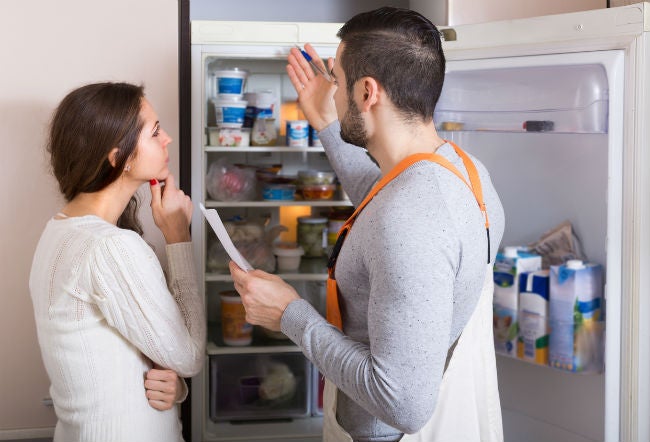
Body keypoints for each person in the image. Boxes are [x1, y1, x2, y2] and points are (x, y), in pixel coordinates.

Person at [230, 6, 506, 442]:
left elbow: (402, 405)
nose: (332, 92)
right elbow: (383, 201)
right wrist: (323, 120)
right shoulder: (464, 172)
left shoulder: (409, 221)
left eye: (337, 81)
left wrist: (289, 314)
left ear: (367, 92)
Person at [29, 82, 206, 442]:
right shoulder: (110, 248)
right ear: (118, 158)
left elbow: (121, 360)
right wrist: (178, 238)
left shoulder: (59, 230)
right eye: (155, 132)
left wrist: (176, 389)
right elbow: (188, 357)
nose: (167, 139)